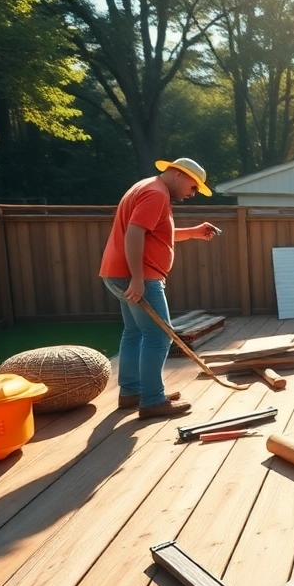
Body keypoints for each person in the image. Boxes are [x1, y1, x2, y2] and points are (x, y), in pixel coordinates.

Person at [99, 157, 221, 419]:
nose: (193, 193)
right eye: (193, 186)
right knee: (160, 336)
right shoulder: (156, 194)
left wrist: (194, 232)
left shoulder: (148, 187)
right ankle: (153, 400)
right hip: (139, 277)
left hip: (117, 272)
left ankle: (132, 392)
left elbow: (156, 232)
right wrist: (138, 278)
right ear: (178, 174)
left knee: (134, 332)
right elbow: (134, 234)